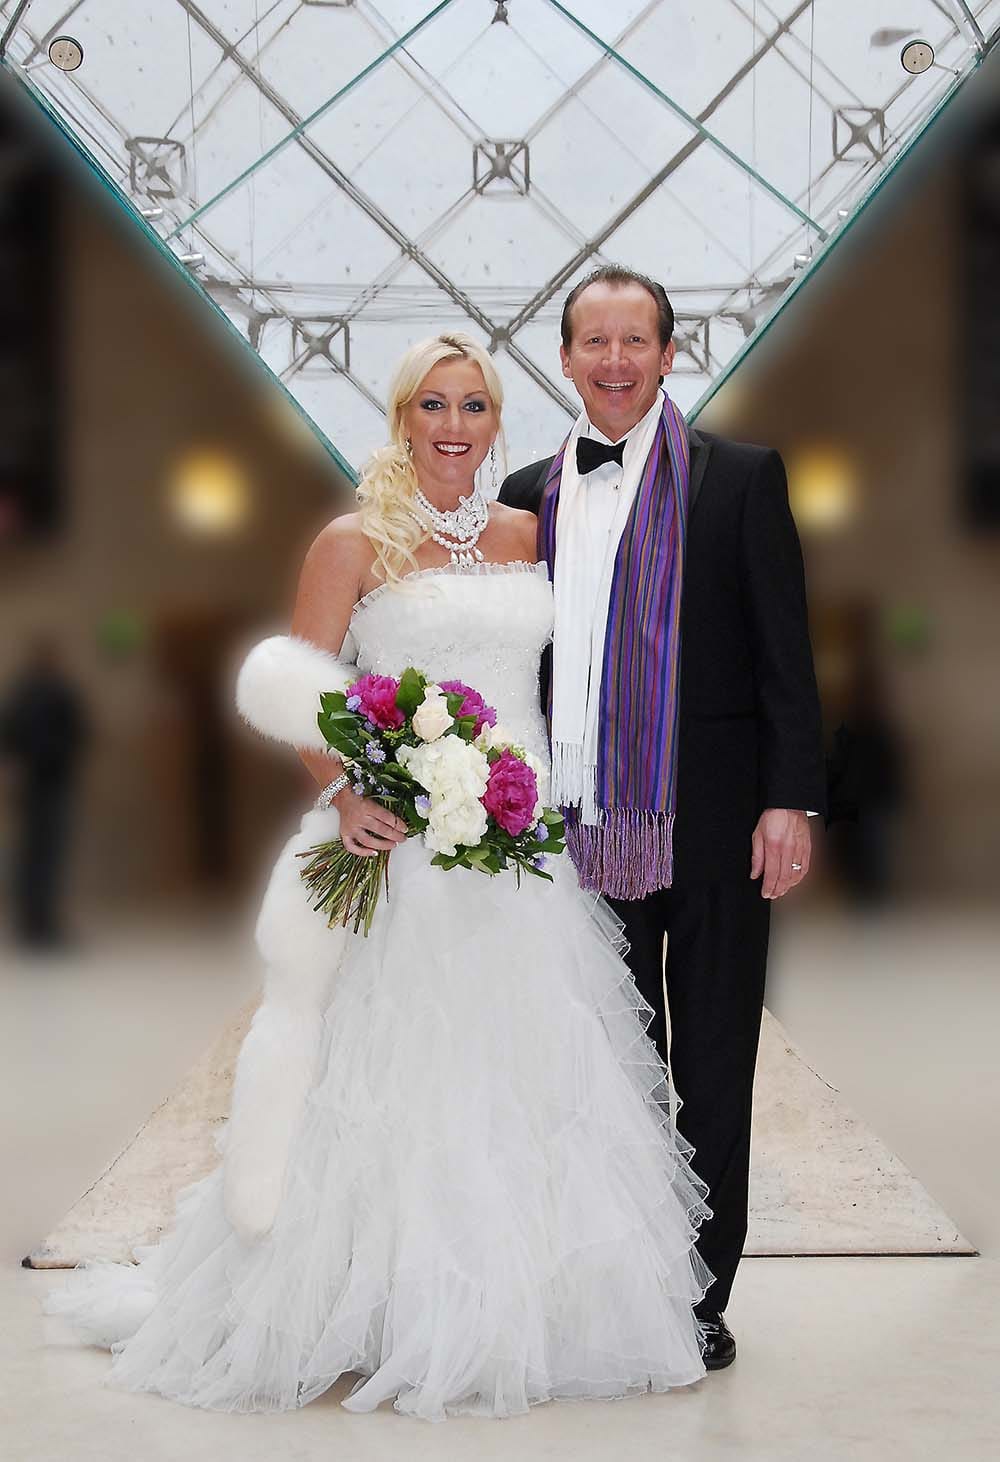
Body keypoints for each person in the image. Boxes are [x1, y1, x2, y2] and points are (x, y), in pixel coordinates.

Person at [44, 333, 715, 1420]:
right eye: (433, 406)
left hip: (528, 849)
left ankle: (526, 1307)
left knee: (536, 1077)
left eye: (474, 407)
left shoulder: (533, 531)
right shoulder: (352, 542)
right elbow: (307, 687)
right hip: (405, 855)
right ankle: (375, 1306)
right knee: (397, 1077)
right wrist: (351, 791)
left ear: (499, 423)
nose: (454, 427)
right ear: (403, 419)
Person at [499, 266, 827, 1369]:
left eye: (634, 339)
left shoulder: (739, 479)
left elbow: (787, 650)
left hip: (722, 816)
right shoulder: (527, 490)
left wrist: (790, 797)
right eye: (594, 340)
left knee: (716, 1055)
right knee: (616, 1062)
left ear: (667, 353)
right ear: (566, 357)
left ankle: (699, 1288)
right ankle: (625, 1274)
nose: (615, 360)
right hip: (580, 830)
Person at [0, 637, 90, 948]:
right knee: (44, 856)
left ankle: (34, 925)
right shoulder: (53, 693)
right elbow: (78, 734)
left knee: (34, 856)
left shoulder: (24, 694)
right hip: (49, 784)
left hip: (36, 784)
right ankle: (40, 925)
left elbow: (9, 738)